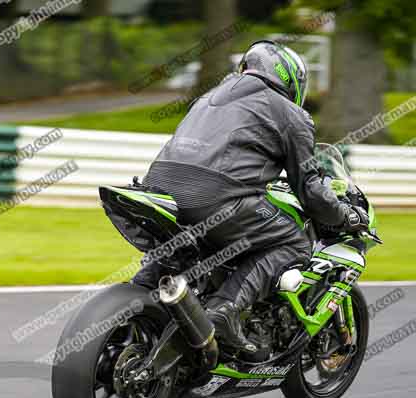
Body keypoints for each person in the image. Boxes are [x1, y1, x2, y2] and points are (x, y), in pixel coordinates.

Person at [138, 40, 369, 360]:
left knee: (183, 253)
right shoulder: (292, 114)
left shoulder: (207, 98)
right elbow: (312, 192)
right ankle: (224, 310)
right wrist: (347, 216)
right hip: (214, 198)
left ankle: (137, 300)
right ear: (291, 80)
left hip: (156, 188)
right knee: (294, 242)